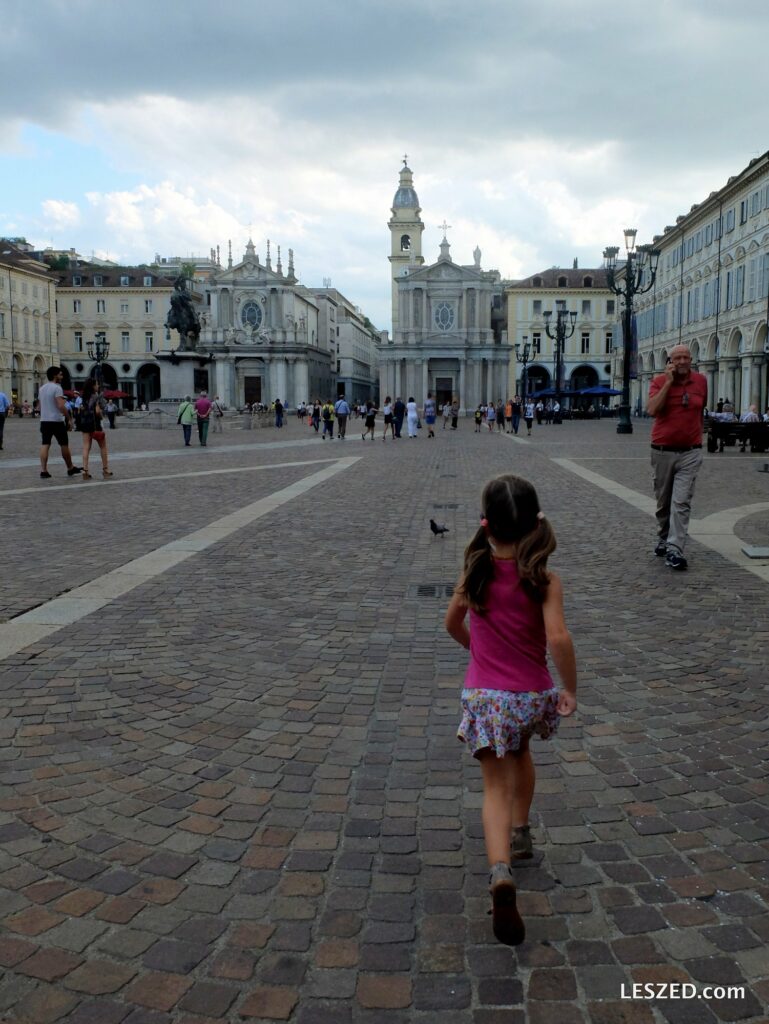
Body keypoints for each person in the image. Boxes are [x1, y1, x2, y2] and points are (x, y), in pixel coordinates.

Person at [445, 474, 577, 946]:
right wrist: (570, 688)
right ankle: (522, 831)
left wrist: (476, 653)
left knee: (493, 787)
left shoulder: (476, 571)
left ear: (485, 525)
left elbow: (452, 623)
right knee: (521, 754)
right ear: (535, 523)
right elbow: (558, 637)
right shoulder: (544, 578)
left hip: (485, 695)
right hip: (528, 696)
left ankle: (500, 871)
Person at [646, 344, 707, 571]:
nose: (682, 361)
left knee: (681, 502)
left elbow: (700, 411)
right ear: (670, 362)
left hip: (690, 452)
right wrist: (669, 382)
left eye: (685, 357)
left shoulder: (701, 381)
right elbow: (652, 409)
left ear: (691, 360)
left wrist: (697, 440)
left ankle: (675, 549)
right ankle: (663, 536)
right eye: (677, 358)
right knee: (663, 503)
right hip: (662, 451)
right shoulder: (659, 382)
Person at [38, 366, 81, 479]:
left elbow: (40, 406)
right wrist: (69, 418)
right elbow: (61, 405)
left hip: (44, 420)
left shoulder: (42, 388)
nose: (62, 377)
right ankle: (70, 468)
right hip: (56, 420)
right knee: (64, 444)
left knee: (45, 444)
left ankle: (43, 470)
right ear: (54, 375)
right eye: (60, 374)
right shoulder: (57, 388)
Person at [80, 378, 113, 480]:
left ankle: (85, 470)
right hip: (95, 424)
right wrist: (102, 415)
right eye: (97, 385)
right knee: (103, 446)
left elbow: (82, 408)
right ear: (93, 386)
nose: (98, 386)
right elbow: (98, 411)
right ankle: (105, 469)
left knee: (86, 447)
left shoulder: (83, 397)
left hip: (85, 423)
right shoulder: (96, 396)